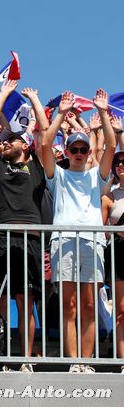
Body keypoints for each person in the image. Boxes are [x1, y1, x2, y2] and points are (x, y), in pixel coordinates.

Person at [41, 89, 115, 373]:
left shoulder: (96, 176)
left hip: (92, 242)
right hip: (64, 241)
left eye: (84, 149)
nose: (81, 153)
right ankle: (74, 361)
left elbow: (109, 145)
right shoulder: (57, 175)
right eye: (75, 149)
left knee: (88, 306)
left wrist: (103, 112)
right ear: (68, 152)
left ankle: (87, 360)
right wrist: (60, 114)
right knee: (69, 306)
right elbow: (45, 144)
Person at [0, 80, 49, 372]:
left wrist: (35, 100)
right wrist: (4, 95)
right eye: (5, 139)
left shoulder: (36, 166)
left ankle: (25, 359)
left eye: (12, 139)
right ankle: (0, 358)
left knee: (25, 302)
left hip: (30, 241)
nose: (6, 142)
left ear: (26, 145)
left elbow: (46, 135)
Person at [100, 151, 124, 373]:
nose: (122, 165)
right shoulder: (110, 196)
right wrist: (116, 232)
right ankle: (123, 360)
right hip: (119, 252)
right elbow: (102, 230)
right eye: (118, 163)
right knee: (121, 309)